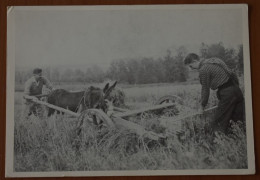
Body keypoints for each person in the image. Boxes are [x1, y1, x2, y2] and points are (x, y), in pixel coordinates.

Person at [184, 53, 245, 134]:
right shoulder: (215, 60)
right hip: (236, 90)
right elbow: (232, 73)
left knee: (218, 123)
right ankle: (237, 140)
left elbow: (205, 90)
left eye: (191, 66)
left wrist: (202, 106)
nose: (191, 69)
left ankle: (217, 142)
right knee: (237, 121)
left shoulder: (203, 69)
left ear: (195, 61)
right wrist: (235, 91)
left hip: (227, 93)